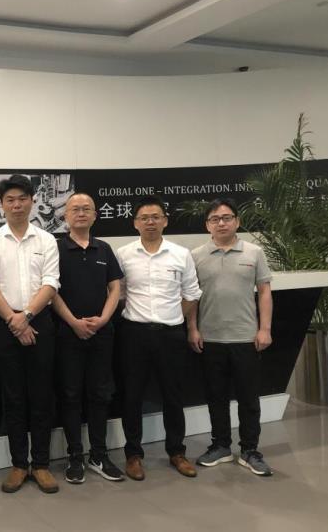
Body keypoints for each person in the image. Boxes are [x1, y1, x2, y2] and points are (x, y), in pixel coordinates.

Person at [0, 174, 61, 494]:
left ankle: (41, 464)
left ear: (32, 201)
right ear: (2, 205)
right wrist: (14, 321)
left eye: (22, 199)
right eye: (10, 200)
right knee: (13, 396)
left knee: (42, 395)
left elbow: (51, 283)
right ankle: (18, 464)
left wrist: (26, 317)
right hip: (4, 324)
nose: (16, 205)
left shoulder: (46, 240)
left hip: (40, 321)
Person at [115, 195, 201, 481]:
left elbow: (192, 293)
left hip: (170, 334)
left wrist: (173, 316)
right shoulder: (123, 254)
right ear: (135, 223)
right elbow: (118, 293)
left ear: (165, 220)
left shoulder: (180, 254)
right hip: (134, 334)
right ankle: (133, 455)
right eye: (144, 218)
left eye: (155, 217)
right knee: (132, 396)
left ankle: (177, 452)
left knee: (173, 395)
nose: (150, 222)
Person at [188, 198, 274, 476]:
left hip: (245, 338)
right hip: (210, 339)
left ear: (237, 221)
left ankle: (250, 450)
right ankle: (221, 446)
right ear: (207, 225)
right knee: (216, 397)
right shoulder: (196, 256)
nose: (221, 223)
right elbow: (192, 297)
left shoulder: (254, 252)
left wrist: (264, 329)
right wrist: (193, 328)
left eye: (226, 218)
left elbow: (264, 292)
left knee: (249, 399)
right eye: (215, 219)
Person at [52, 192, 125, 484]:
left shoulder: (104, 249)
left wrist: (104, 319)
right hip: (67, 334)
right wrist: (73, 322)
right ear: (65, 215)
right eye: (75, 209)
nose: (81, 213)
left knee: (100, 394)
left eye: (86, 209)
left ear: (95, 215)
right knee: (70, 395)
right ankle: (75, 456)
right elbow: (50, 290)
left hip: (101, 334)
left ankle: (99, 454)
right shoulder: (55, 248)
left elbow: (115, 288)